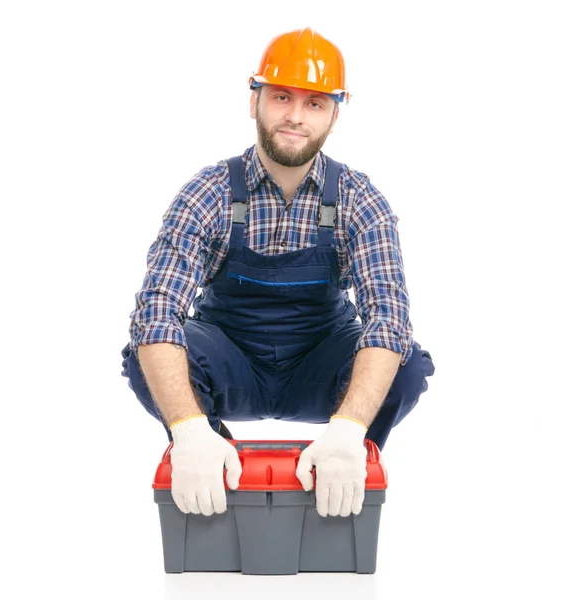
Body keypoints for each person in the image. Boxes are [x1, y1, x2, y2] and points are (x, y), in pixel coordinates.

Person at [121, 27, 435, 520]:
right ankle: (211, 455)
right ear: (254, 101)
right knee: (145, 355)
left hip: (321, 367)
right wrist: (187, 429)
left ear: (336, 112)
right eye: (281, 97)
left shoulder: (360, 200)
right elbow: (156, 313)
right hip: (230, 364)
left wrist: (349, 428)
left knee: (408, 365)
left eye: (314, 103)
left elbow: (388, 320)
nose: (294, 115)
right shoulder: (206, 193)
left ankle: (346, 460)